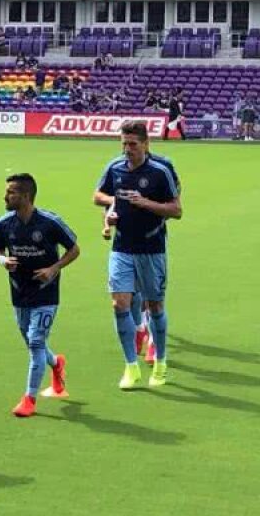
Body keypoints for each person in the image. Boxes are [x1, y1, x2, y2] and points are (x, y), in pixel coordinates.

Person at [93, 120, 182, 389]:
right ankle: (131, 366)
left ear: (146, 144)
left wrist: (145, 203)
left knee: (154, 306)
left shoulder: (159, 171)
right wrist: (114, 205)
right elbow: (97, 195)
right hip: (121, 247)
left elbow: (176, 210)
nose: (127, 150)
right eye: (124, 144)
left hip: (151, 247)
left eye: (133, 144)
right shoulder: (115, 167)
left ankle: (161, 361)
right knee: (119, 304)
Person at [0, 173, 80, 417]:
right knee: (32, 344)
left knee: (37, 341)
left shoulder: (50, 223)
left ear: (25, 196)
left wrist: (54, 268)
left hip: (46, 294)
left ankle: (29, 399)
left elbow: (74, 249)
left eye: (11, 192)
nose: (5, 196)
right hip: (19, 293)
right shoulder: (4, 224)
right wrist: (2, 260)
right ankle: (56, 364)